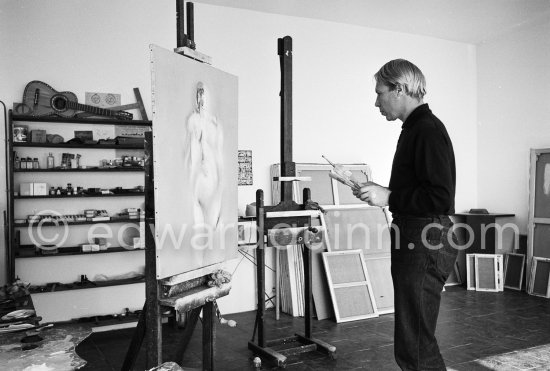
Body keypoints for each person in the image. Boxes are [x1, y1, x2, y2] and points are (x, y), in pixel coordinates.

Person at [354, 59, 458, 371]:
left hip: (426, 238)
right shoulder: (415, 128)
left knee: (415, 346)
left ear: (399, 89)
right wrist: (381, 190)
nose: (376, 102)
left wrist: (390, 196)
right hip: (418, 236)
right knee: (412, 340)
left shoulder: (426, 130)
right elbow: (421, 187)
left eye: (379, 92)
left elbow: (440, 197)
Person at [185, 82, 224, 230]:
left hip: (211, 180)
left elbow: (218, 154)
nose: (200, 99)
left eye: (203, 95)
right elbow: (190, 155)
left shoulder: (214, 123)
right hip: (198, 180)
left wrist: (220, 184)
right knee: (198, 228)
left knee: (211, 227)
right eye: (198, 95)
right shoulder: (193, 120)